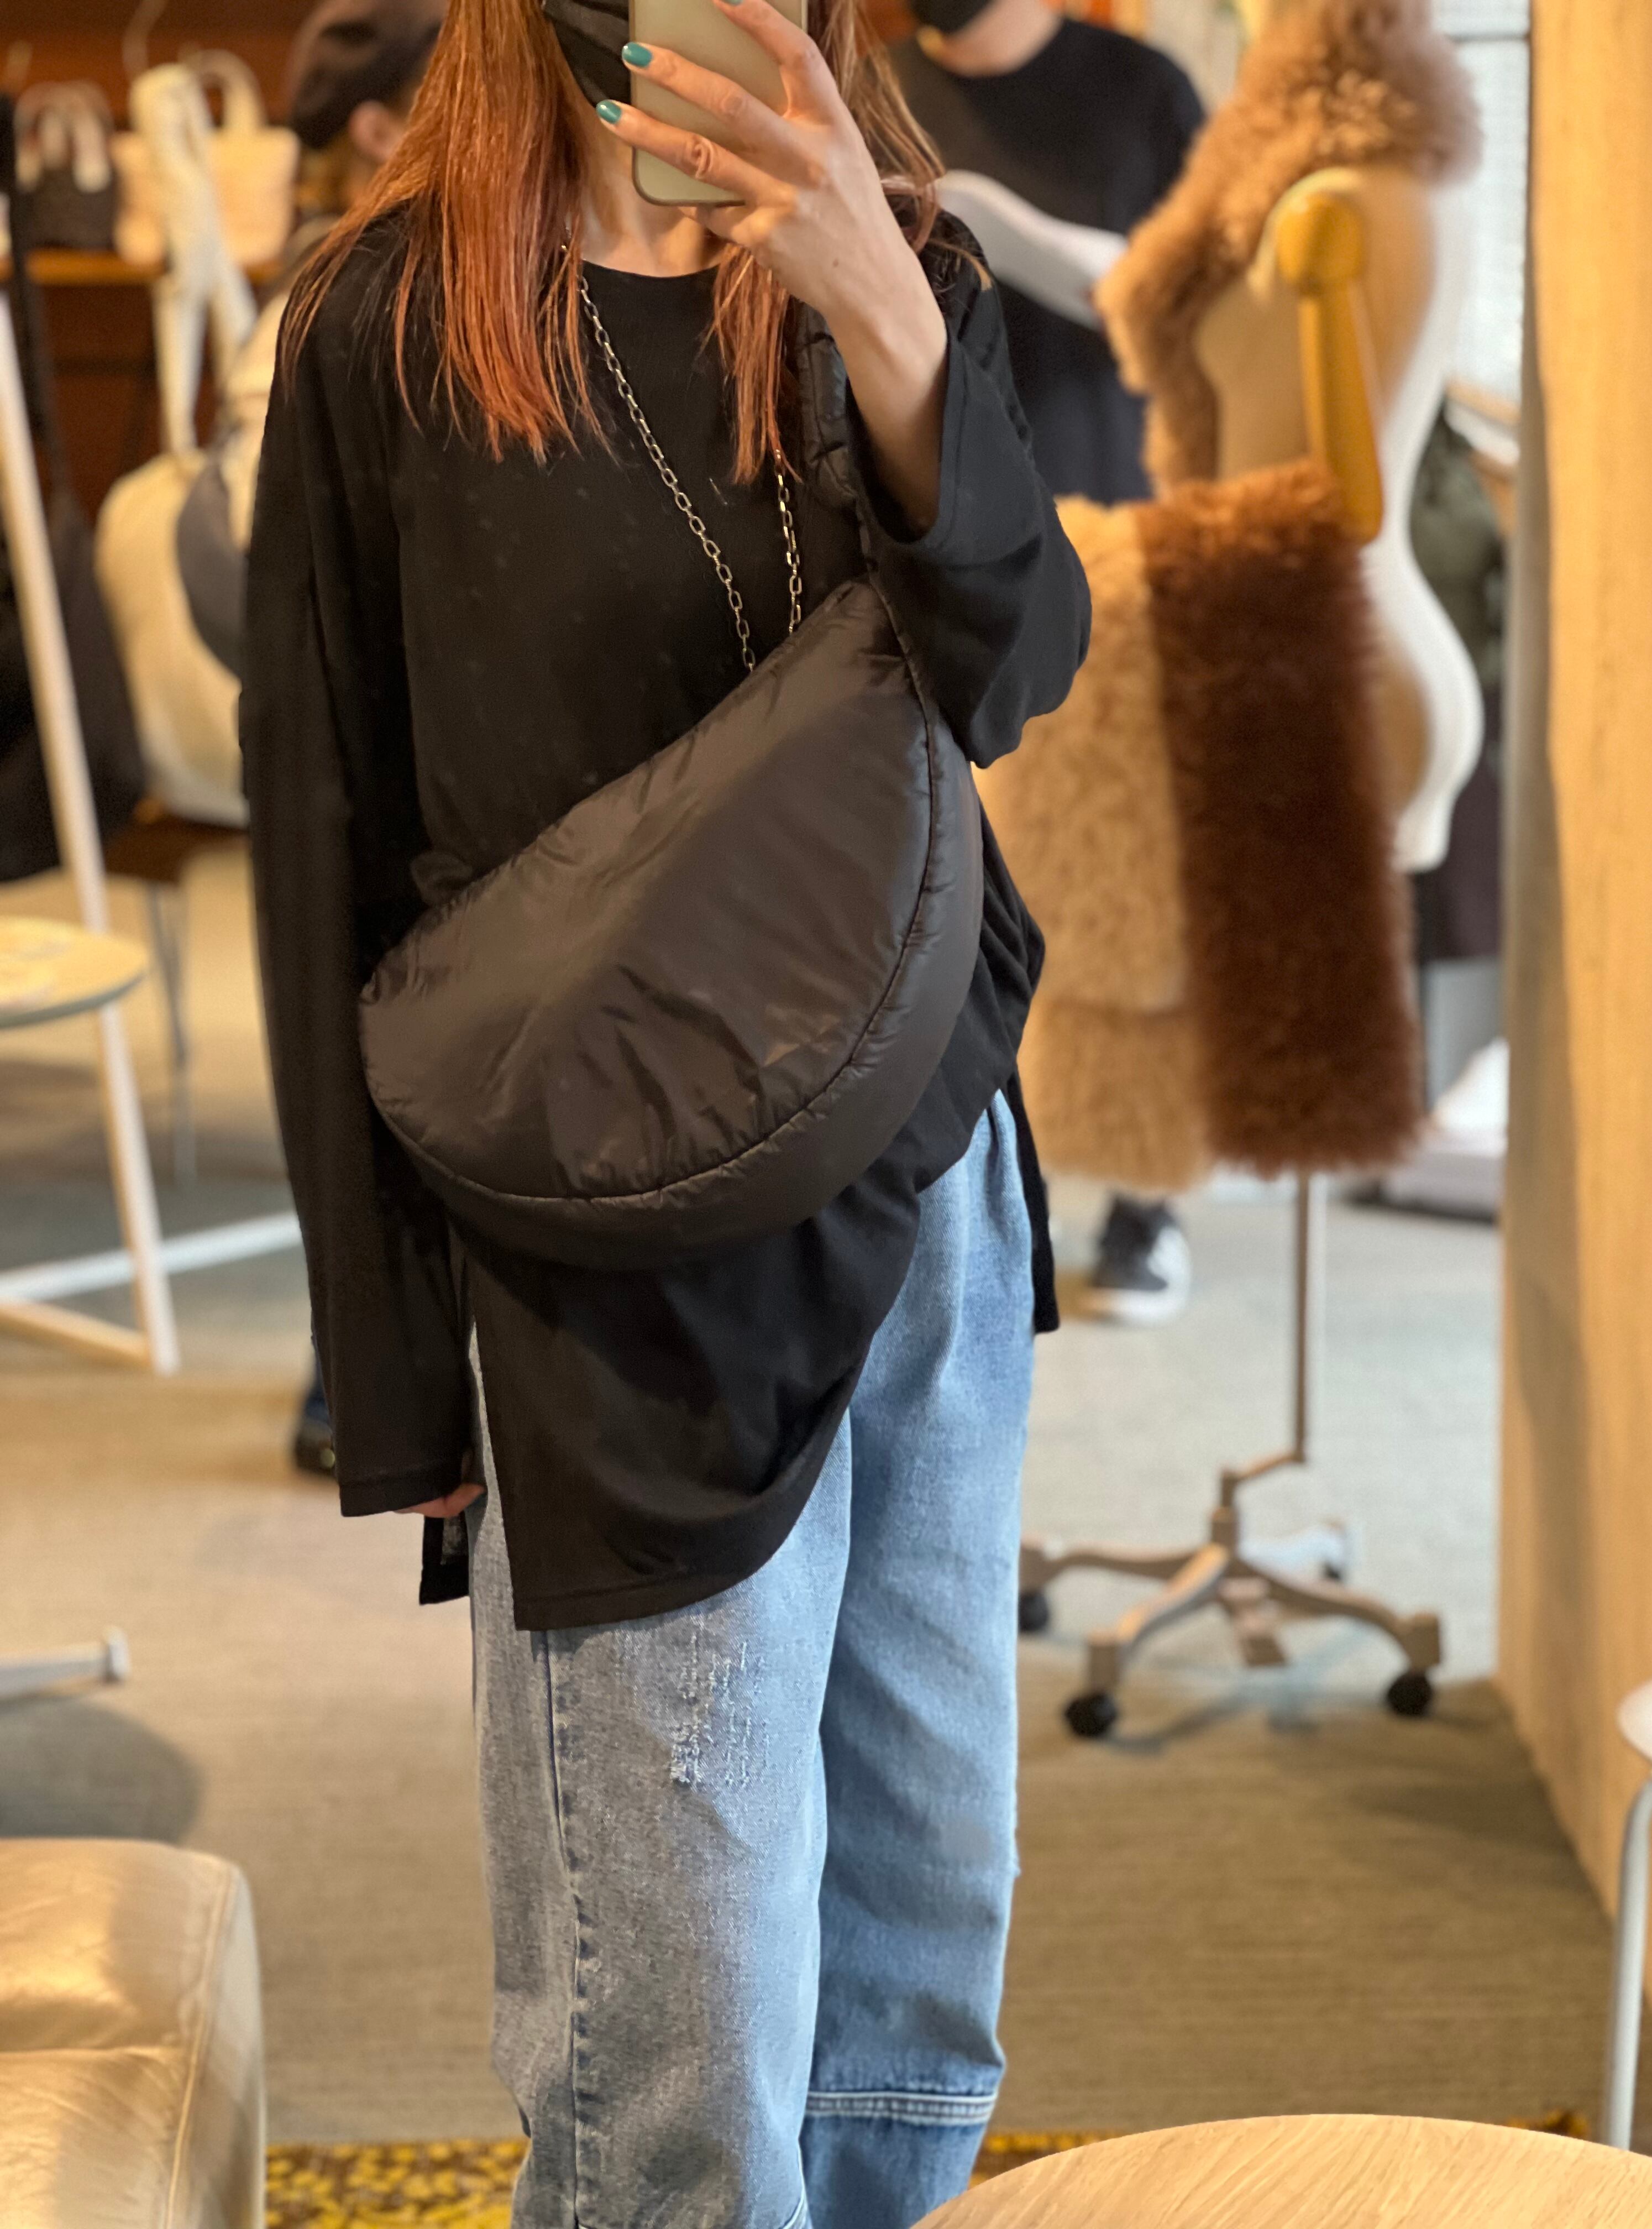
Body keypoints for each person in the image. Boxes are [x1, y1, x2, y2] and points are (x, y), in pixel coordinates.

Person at [240, 0, 1089, 2217]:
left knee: (918, 1972)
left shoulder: (893, 264)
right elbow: (325, 841)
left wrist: (882, 312)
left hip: (926, 1188)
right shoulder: (386, 328)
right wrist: (394, 1377)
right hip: (612, 1260)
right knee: (680, 2041)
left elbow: (1018, 669)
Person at [891, 0, 1204, 1325]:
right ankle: (964, 1197)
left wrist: (988, 220)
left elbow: (1191, 302)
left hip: (1112, 535)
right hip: (935, 547)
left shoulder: (1142, 95)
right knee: (947, 888)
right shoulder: (873, 88)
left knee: (1121, 894)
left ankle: (1145, 1196)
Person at [169, 0, 445, 1475]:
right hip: (347, 727)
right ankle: (360, 1363)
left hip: (423, 710)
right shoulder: (338, 300)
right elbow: (253, 563)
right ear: (382, 128)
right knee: (362, 1027)